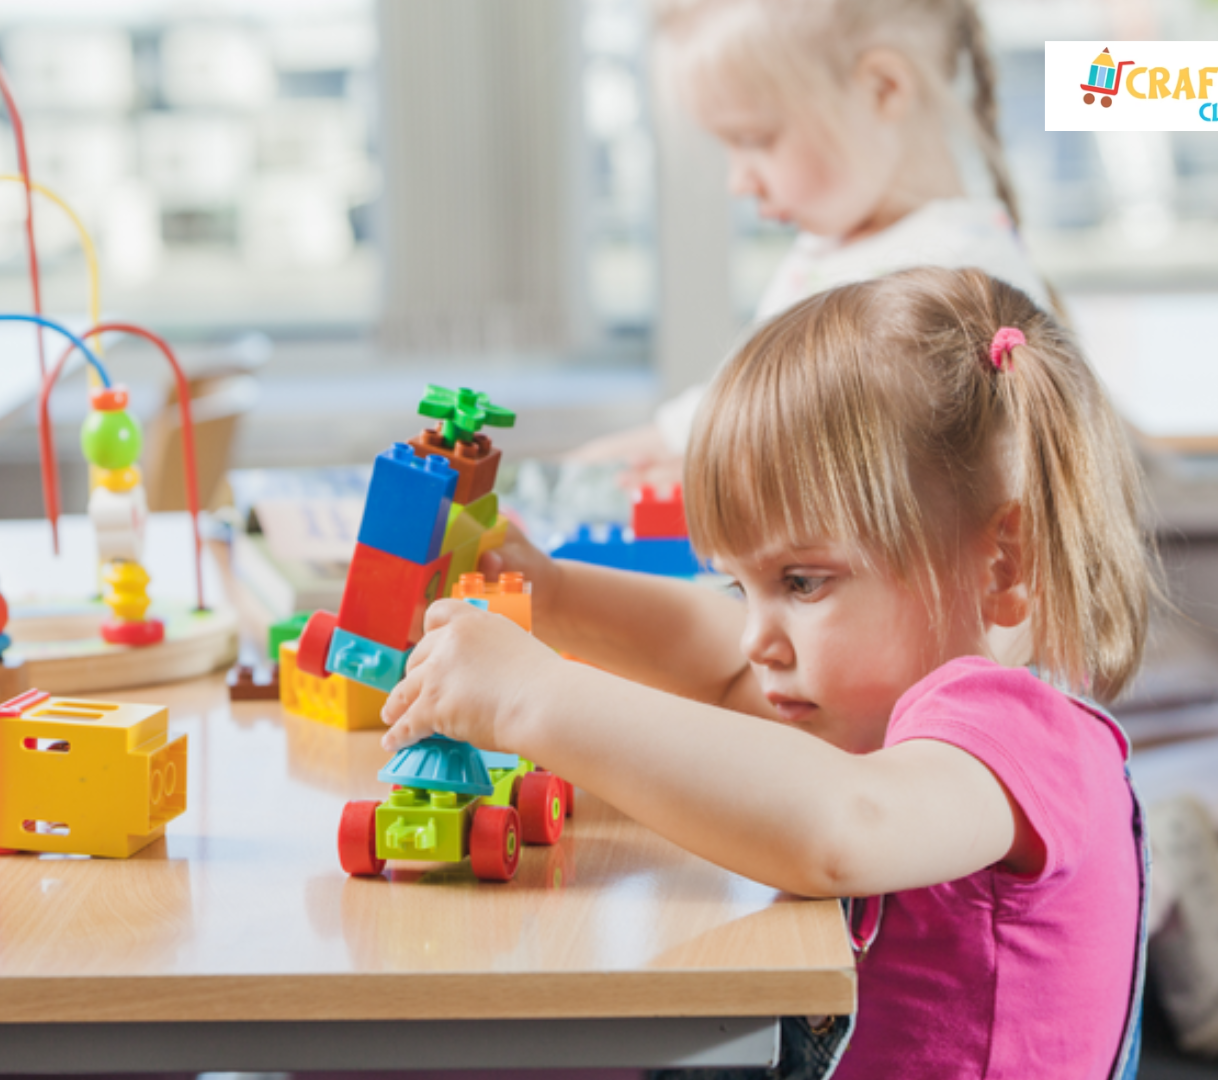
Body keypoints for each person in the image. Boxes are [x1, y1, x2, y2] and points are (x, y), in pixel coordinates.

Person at [384, 268, 1155, 1078]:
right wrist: (555, 592)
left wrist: (528, 699)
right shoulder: (879, 702)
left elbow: (840, 830)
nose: (760, 637)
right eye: (738, 583)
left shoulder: (1015, 733)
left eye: (802, 583)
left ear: (1002, 564)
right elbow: (716, 659)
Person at [577, 0, 1054, 488]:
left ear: (882, 90)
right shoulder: (835, 245)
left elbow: (894, 481)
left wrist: (721, 475)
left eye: (754, 139)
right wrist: (653, 445)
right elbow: (765, 403)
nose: (738, 181)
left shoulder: (951, 278)